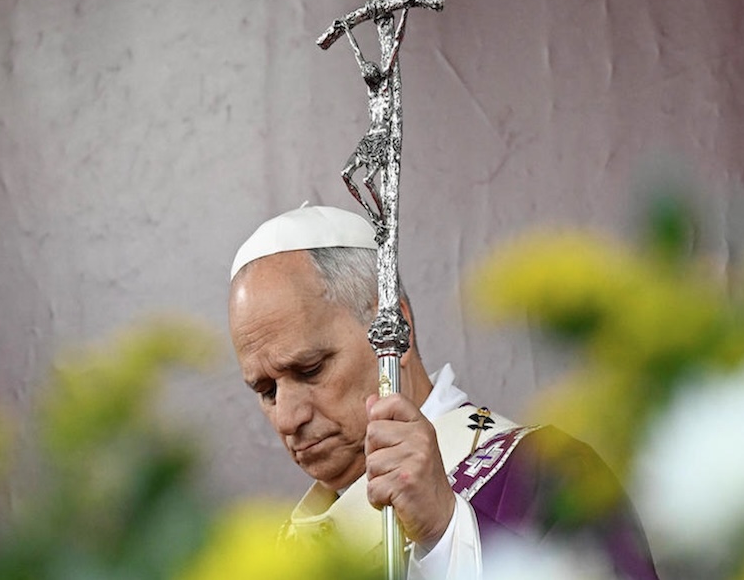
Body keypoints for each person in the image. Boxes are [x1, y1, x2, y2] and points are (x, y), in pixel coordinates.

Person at [228, 205, 659, 579]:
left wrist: (444, 534)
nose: (288, 418)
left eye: (310, 369)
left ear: (395, 329)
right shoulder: (282, 552)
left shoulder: (549, 477)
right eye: (266, 391)